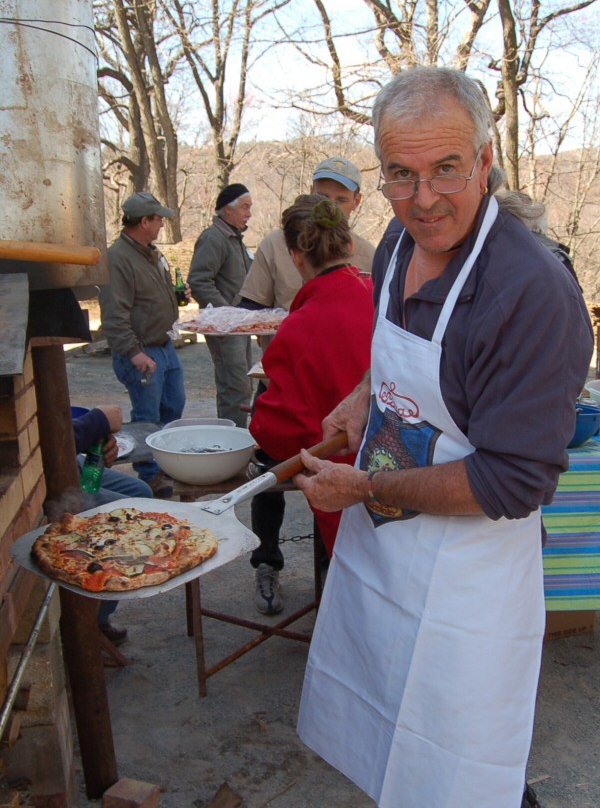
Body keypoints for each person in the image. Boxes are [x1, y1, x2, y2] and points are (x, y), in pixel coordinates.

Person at [293, 67, 593, 808]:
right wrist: (365, 395)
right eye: (401, 174)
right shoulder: (397, 241)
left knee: (463, 765)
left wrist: (363, 487)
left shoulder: (530, 293)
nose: (423, 199)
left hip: (469, 582)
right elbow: (398, 345)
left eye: (446, 170)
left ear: (484, 162)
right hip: (387, 557)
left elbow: (511, 482)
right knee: (386, 724)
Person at [248, 195, 374, 614]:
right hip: (407, 473)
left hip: (345, 483)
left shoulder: (300, 326)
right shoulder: (384, 297)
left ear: (295, 256)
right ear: (349, 245)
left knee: (360, 592)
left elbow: (276, 427)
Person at [99, 191, 185, 498]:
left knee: (173, 408)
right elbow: (114, 314)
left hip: (165, 344)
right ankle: (150, 478)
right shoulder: (118, 258)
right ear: (143, 221)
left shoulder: (151, 252)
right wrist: (134, 353)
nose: (162, 223)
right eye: (158, 219)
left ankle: (165, 466)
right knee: (147, 418)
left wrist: (176, 295)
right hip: (143, 350)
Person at [239, 156, 375, 318]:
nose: (330, 207)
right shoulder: (275, 244)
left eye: (341, 200)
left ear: (356, 201)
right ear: (311, 192)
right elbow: (250, 308)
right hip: (286, 340)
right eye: (323, 197)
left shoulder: (369, 255)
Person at [73, 404, 153, 646]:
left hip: (70, 457)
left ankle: (101, 613)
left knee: (141, 493)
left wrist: (95, 438)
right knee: (129, 519)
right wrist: (96, 422)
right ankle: (92, 623)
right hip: (47, 475)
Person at [187, 184, 254, 428]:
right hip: (226, 327)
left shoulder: (234, 239)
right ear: (228, 210)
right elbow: (198, 280)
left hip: (238, 325)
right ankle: (230, 445)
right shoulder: (213, 238)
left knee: (242, 384)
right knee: (234, 387)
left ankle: (235, 440)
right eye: (245, 207)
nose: (249, 213)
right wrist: (226, 313)